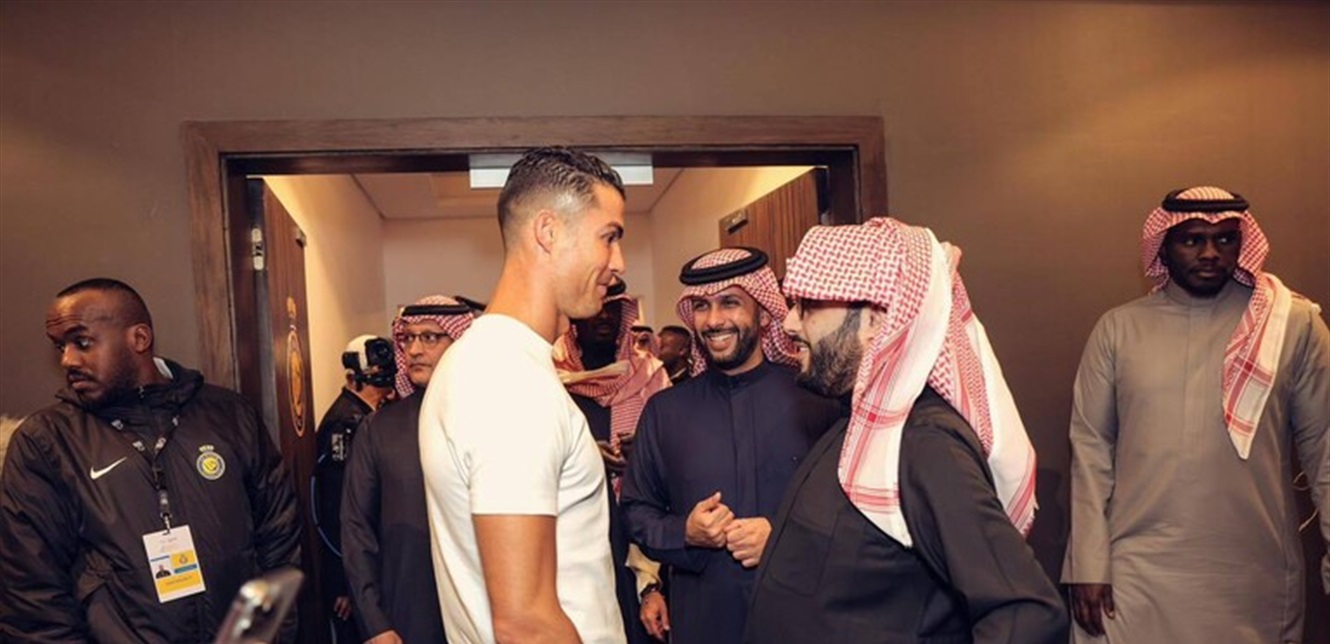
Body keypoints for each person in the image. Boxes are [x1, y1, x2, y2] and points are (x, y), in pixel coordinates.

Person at [745, 218, 1067, 644]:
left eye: (807, 306)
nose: (788, 324)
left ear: (877, 320)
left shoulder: (924, 444)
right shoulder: (858, 421)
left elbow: (1027, 613)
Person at [1062, 186, 1330, 644]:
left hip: (1253, 570)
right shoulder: (1118, 329)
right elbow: (1090, 451)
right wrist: (1086, 562)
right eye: (1191, 240)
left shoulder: (1291, 325)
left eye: (1225, 239)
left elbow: (1324, 447)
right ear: (1164, 246)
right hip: (1136, 569)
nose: (1210, 253)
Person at [0, 278, 300, 643]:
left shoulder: (230, 415)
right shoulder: (46, 442)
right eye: (60, 346)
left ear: (139, 339)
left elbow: (279, 538)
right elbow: (32, 595)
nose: (68, 360)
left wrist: (270, 635)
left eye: (82, 342)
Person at [419, 147, 629, 643]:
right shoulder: (508, 381)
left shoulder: (488, 362)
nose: (618, 264)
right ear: (548, 232)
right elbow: (525, 624)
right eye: (609, 238)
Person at [621, 247, 842, 644]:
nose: (713, 320)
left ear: (763, 313)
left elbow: (853, 510)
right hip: (705, 623)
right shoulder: (665, 411)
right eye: (701, 306)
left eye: (730, 303)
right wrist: (685, 532)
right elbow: (636, 513)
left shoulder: (817, 399)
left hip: (802, 620)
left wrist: (782, 538)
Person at [342, 295, 477, 644]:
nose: (415, 349)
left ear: (460, 341)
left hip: (482, 612)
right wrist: (375, 623)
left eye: (430, 337)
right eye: (408, 338)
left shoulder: (487, 419)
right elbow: (356, 529)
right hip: (408, 618)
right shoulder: (380, 428)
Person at [553, 279, 671, 644]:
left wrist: (645, 457)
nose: (604, 317)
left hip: (638, 531)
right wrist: (585, 458)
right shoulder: (551, 378)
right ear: (575, 318)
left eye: (614, 309)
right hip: (572, 533)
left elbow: (673, 452)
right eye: (597, 308)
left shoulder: (650, 375)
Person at [312, 334, 396, 641]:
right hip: (351, 575)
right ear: (354, 377)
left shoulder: (370, 416)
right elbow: (335, 507)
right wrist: (345, 583)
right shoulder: (345, 423)